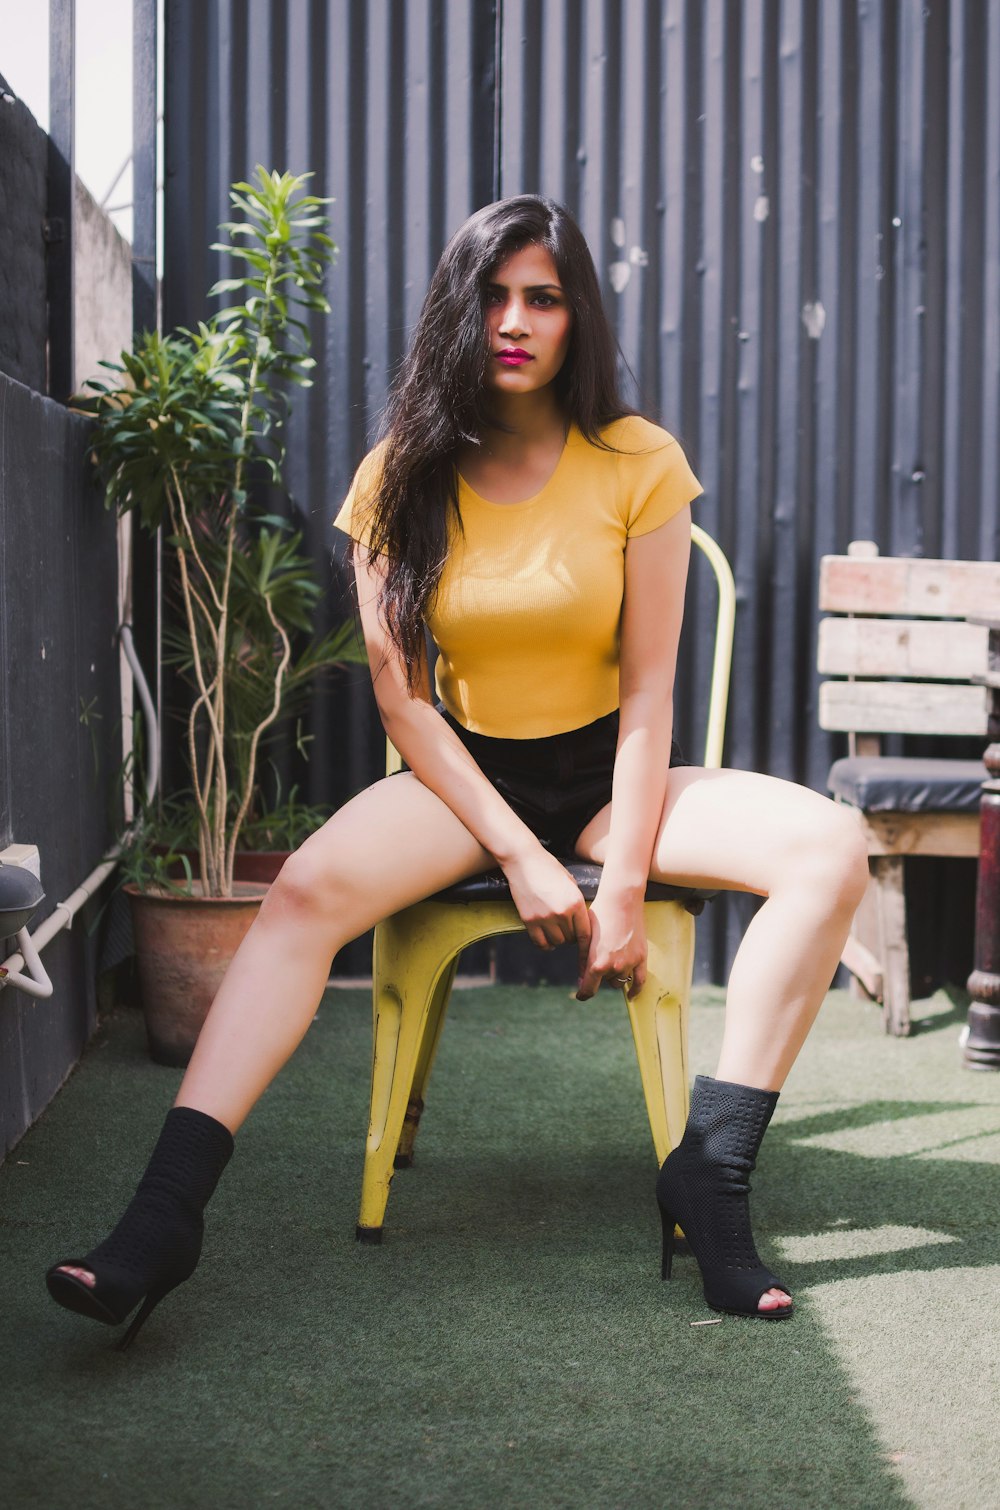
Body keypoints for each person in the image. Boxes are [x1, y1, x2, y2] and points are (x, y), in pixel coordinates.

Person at [47, 195, 868, 1343]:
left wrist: (618, 882)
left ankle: (711, 1177)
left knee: (832, 846)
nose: (515, 320)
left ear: (575, 313)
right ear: (457, 311)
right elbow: (403, 698)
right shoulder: (401, 473)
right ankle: (161, 1218)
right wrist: (519, 855)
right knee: (298, 895)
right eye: (491, 295)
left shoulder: (637, 462)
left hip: (608, 774)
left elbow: (647, 693)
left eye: (541, 296)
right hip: (464, 778)